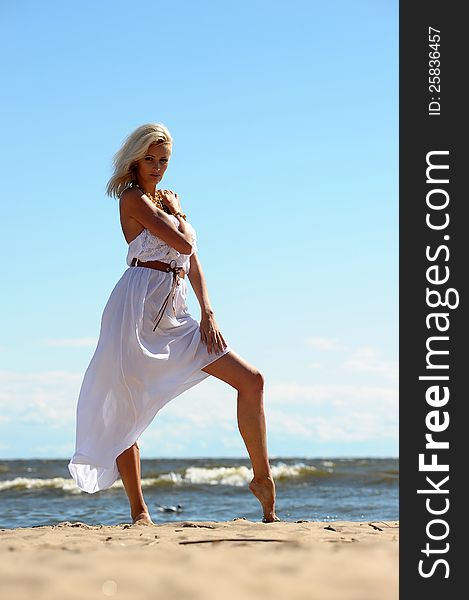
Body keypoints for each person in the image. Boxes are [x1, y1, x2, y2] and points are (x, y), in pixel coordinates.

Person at [68, 123, 280, 525]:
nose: (157, 167)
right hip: (136, 309)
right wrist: (178, 212)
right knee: (124, 406)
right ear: (134, 158)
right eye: (149, 158)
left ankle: (262, 479)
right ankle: (139, 511)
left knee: (251, 380)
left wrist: (208, 312)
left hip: (177, 310)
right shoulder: (133, 198)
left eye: (163, 160)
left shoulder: (163, 200)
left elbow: (191, 260)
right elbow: (184, 243)